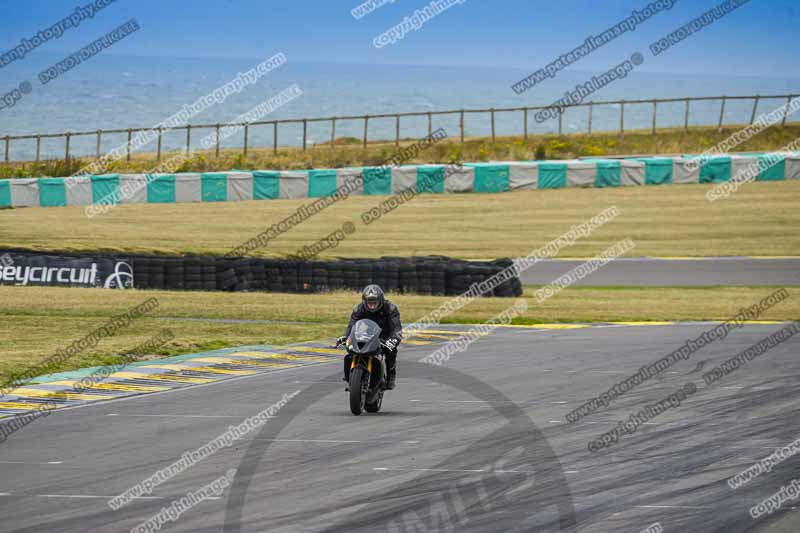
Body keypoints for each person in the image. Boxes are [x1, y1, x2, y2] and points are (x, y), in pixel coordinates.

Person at [338, 284, 401, 390]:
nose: (372, 305)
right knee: (350, 352)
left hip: (384, 335)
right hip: (366, 334)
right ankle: (350, 378)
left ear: (380, 300)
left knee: (391, 351)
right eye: (369, 302)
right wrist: (345, 336)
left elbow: (396, 328)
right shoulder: (359, 309)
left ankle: (391, 377)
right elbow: (351, 325)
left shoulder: (390, 308)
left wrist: (393, 340)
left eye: (374, 302)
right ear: (364, 300)